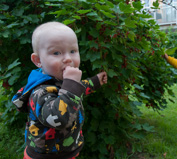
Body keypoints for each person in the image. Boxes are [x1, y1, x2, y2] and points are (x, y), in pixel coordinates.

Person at [12, 22, 108, 159]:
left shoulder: (60, 81)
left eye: (73, 51)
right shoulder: (40, 92)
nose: (68, 58)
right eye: (56, 52)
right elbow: (58, 118)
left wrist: (95, 81)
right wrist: (71, 84)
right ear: (38, 60)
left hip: (65, 152)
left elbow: (78, 89)